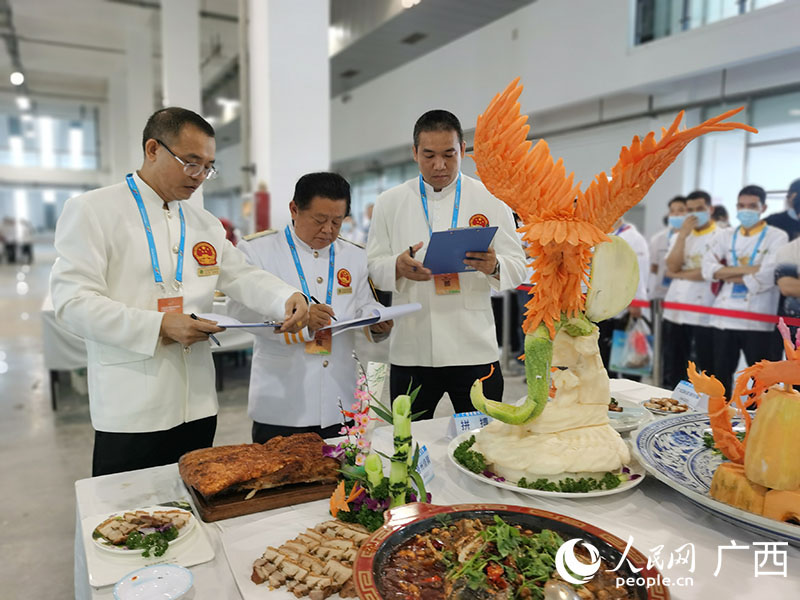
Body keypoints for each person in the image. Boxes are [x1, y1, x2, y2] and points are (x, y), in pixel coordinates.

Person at [50, 107, 309, 477]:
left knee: (195, 497)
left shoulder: (204, 223)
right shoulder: (93, 211)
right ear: (153, 149)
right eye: (191, 163)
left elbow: (241, 275)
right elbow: (73, 303)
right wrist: (160, 325)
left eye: (208, 167)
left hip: (197, 404)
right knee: (129, 505)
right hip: (131, 405)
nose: (200, 176)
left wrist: (287, 296)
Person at [367, 109, 527, 419]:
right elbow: (373, 266)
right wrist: (396, 267)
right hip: (412, 348)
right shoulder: (390, 202)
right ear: (415, 152)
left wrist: (494, 266)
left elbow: (518, 265)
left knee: (482, 438)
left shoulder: (491, 198)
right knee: (408, 437)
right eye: (429, 155)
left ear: (463, 150)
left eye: (449, 154)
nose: (439, 165)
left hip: (473, 347)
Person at [228, 172, 393, 443]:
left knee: (342, 469)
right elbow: (239, 312)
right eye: (319, 220)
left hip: (340, 399)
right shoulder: (258, 250)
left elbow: (363, 302)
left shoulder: (353, 254)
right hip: (281, 403)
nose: (328, 230)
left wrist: (376, 321)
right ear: (294, 209)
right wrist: (300, 321)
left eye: (337, 221)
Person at [702, 185, 788, 394]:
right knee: (720, 376)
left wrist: (725, 273)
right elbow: (707, 269)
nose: (745, 210)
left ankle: (759, 415)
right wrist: (750, 270)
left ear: (763, 207)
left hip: (758, 319)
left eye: (752, 206)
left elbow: (768, 275)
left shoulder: (777, 236)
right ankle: (721, 413)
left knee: (761, 381)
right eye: (741, 206)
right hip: (724, 317)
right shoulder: (725, 235)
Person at [661, 190, 718, 390]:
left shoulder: (721, 235)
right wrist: (683, 236)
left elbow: (707, 272)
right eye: (690, 210)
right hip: (675, 310)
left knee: (705, 366)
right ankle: (673, 400)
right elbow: (672, 266)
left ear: (710, 209)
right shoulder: (680, 236)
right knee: (674, 364)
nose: (694, 214)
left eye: (699, 209)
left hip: (704, 310)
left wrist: (678, 274)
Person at [598, 217, 650, 375]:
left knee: (627, 358)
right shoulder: (600, 234)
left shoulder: (633, 238)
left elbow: (639, 271)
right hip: (602, 305)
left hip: (625, 306)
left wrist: (636, 301)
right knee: (603, 357)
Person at [648, 196, 686, 303]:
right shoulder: (658, 239)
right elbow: (653, 267)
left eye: (681, 210)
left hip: (684, 295)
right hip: (660, 293)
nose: (676, 214)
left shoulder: (692, 238)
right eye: (672, 211)